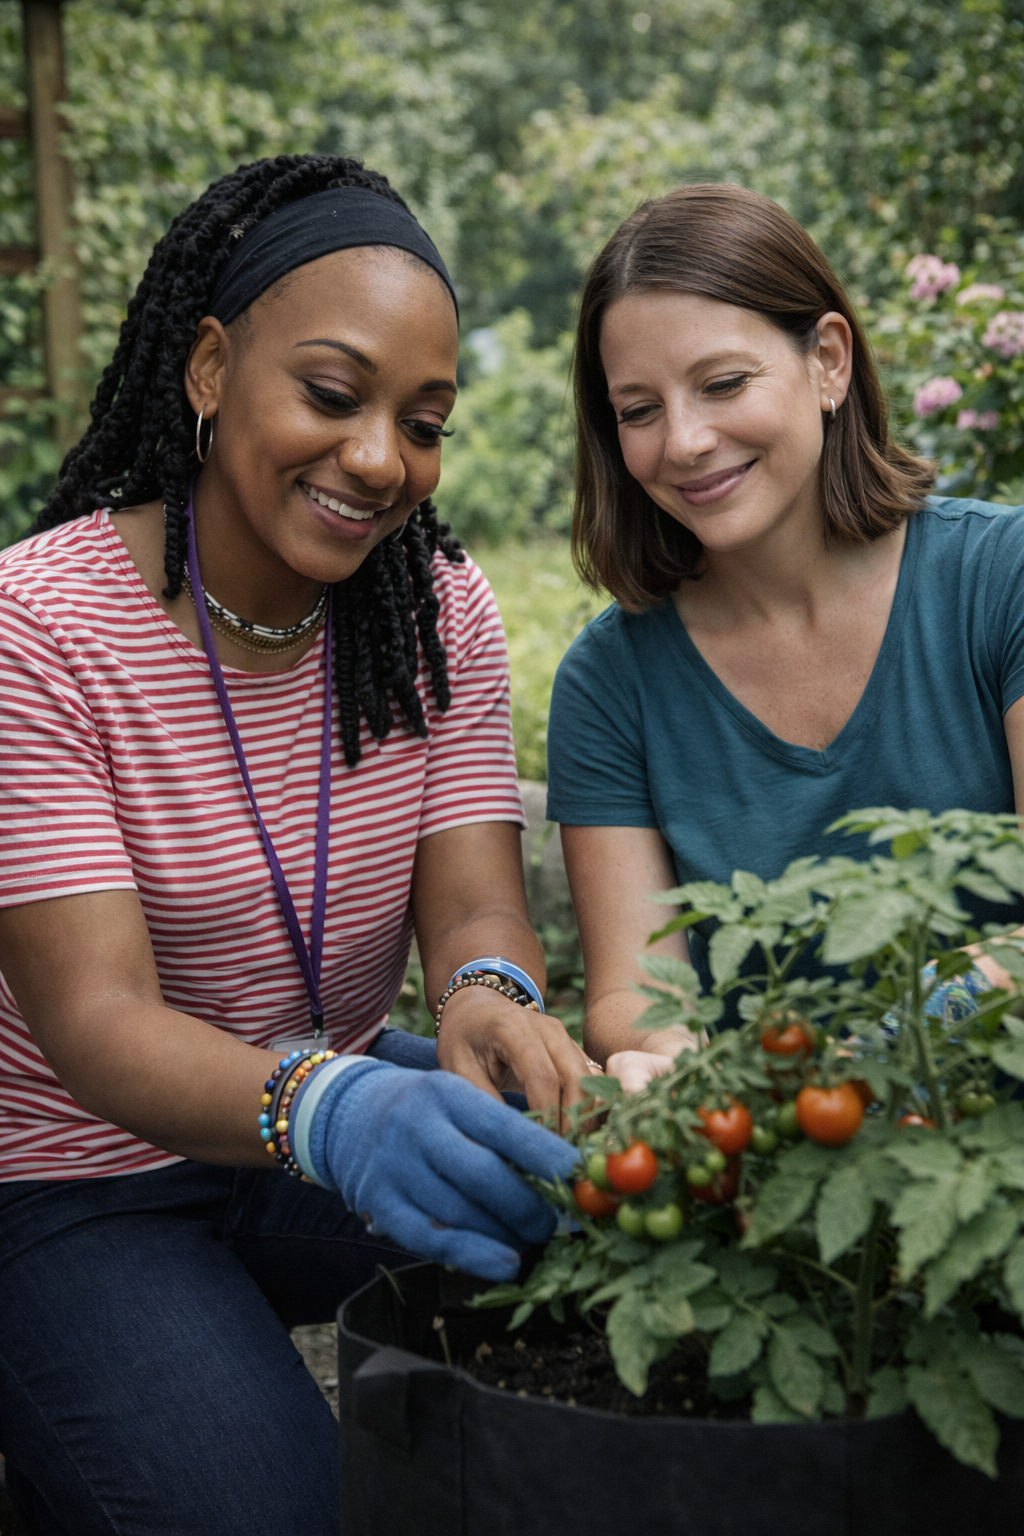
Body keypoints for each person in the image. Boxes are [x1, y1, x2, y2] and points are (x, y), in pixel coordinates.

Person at [0, 154, 584, 1536]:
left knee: (601, 1254)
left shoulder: (436, 609)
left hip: (308, 1138)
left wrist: (492, 998)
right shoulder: (41, 631)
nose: (379, 460)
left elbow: (475, 908)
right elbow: (93, 1021)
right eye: (333, 395)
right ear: (209, 368)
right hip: (69, 1178)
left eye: (422, 422)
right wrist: (336, 1105)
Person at [546, 183, 1024, 1091]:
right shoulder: (610, 684)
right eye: (638, 410)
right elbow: (634, 995)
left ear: (829, 361)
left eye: (723, 384)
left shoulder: (1002, 580)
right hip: (780, 1179)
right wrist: (696, 1083)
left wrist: (863, 1069)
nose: (684, 441)